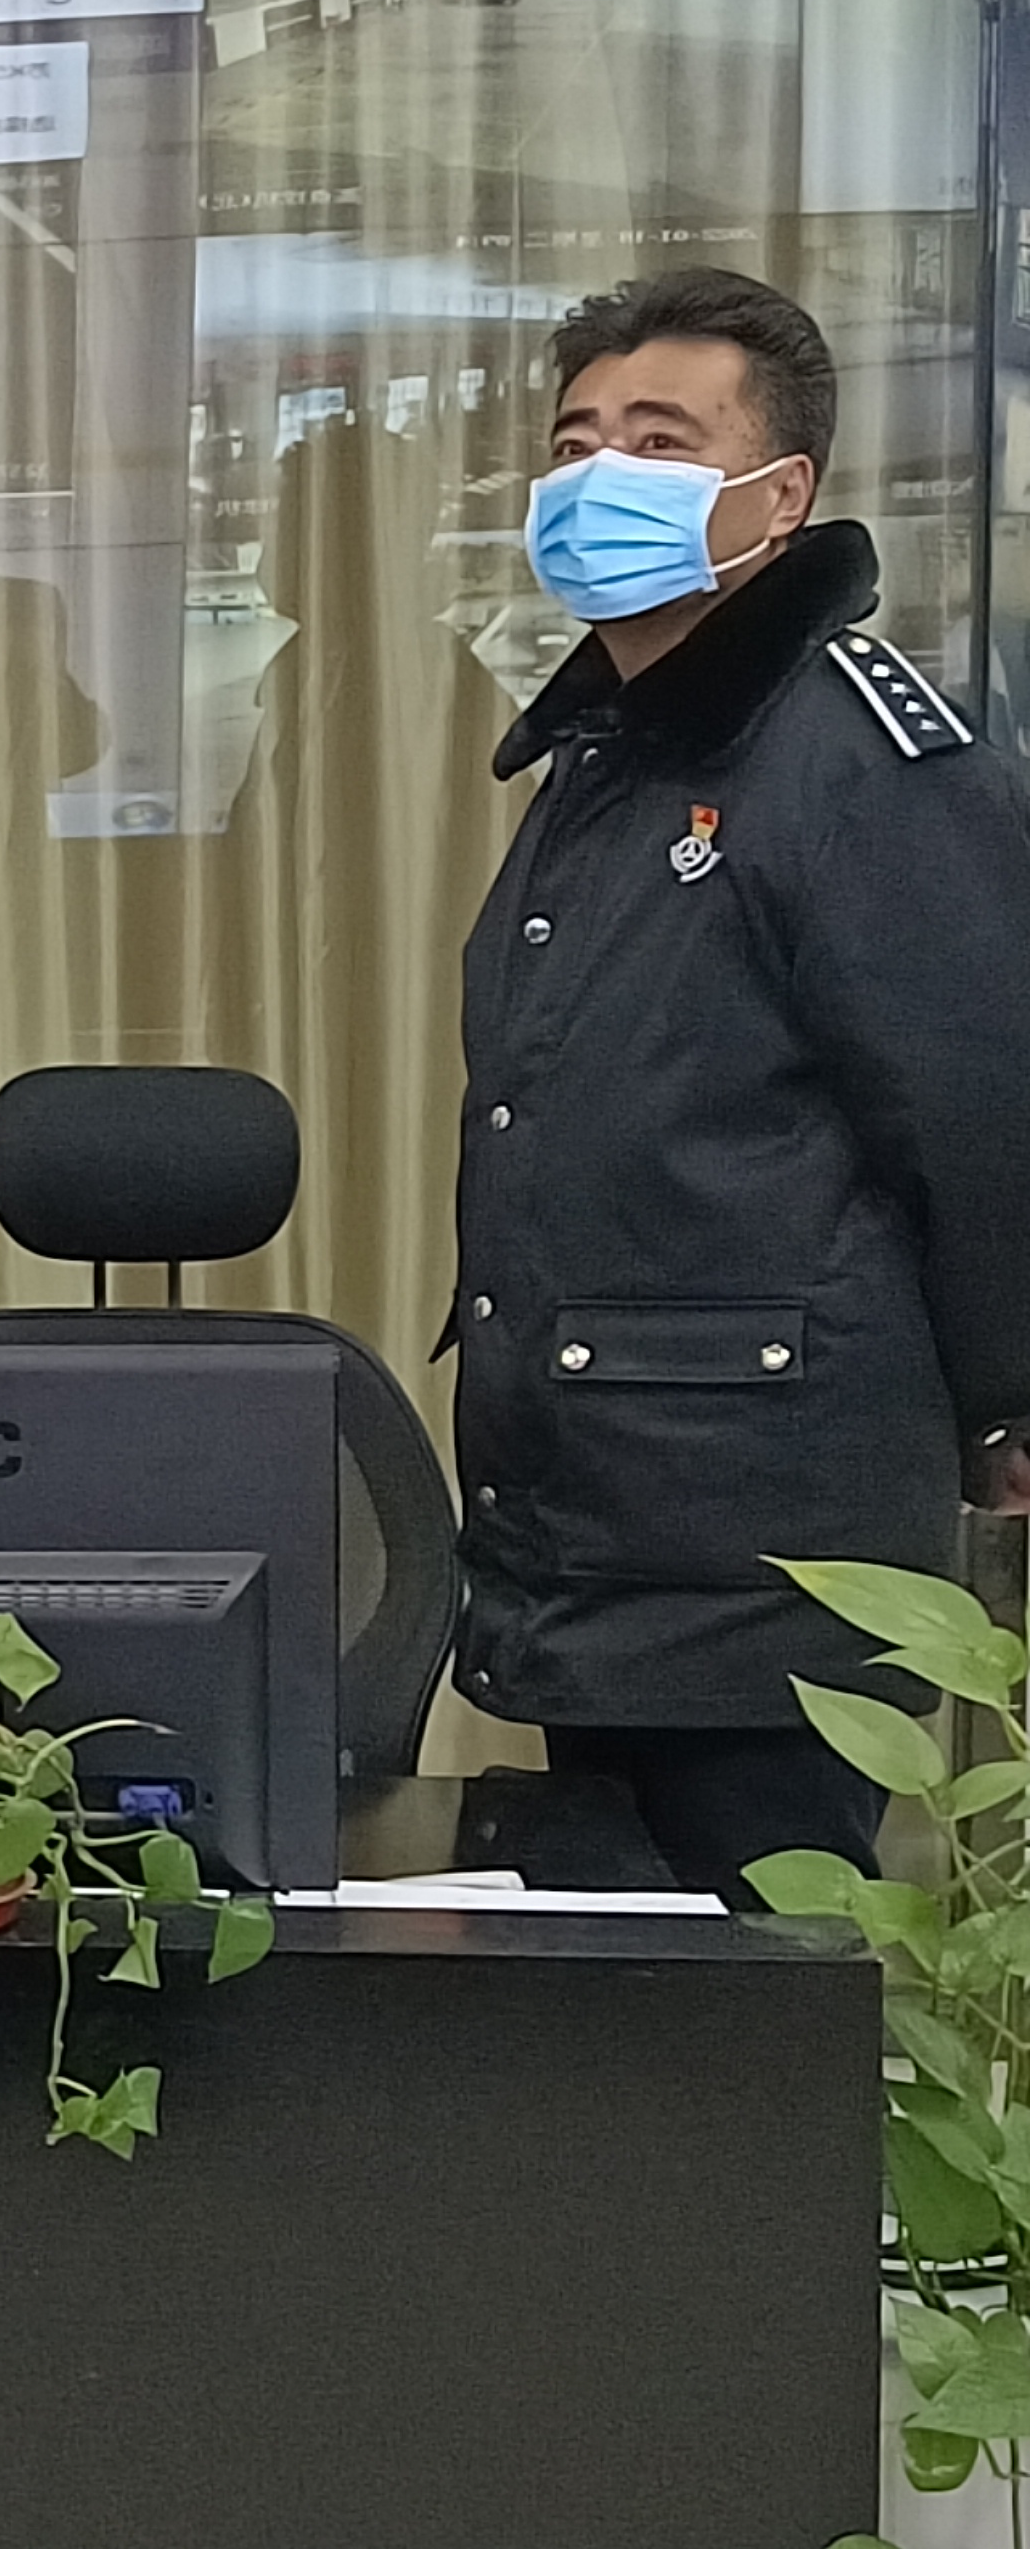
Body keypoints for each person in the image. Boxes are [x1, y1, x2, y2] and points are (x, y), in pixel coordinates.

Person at [455, 268, 1030, 1898]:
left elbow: (985, 1105)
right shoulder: (609, 750)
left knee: (753, 2024)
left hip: (767, 1551)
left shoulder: (860, 758)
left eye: (661, 440)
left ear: (781, 498)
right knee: (617, 2022)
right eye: (576, 441)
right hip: (596, 1537)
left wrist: (1014, 1403)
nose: (598, 477)